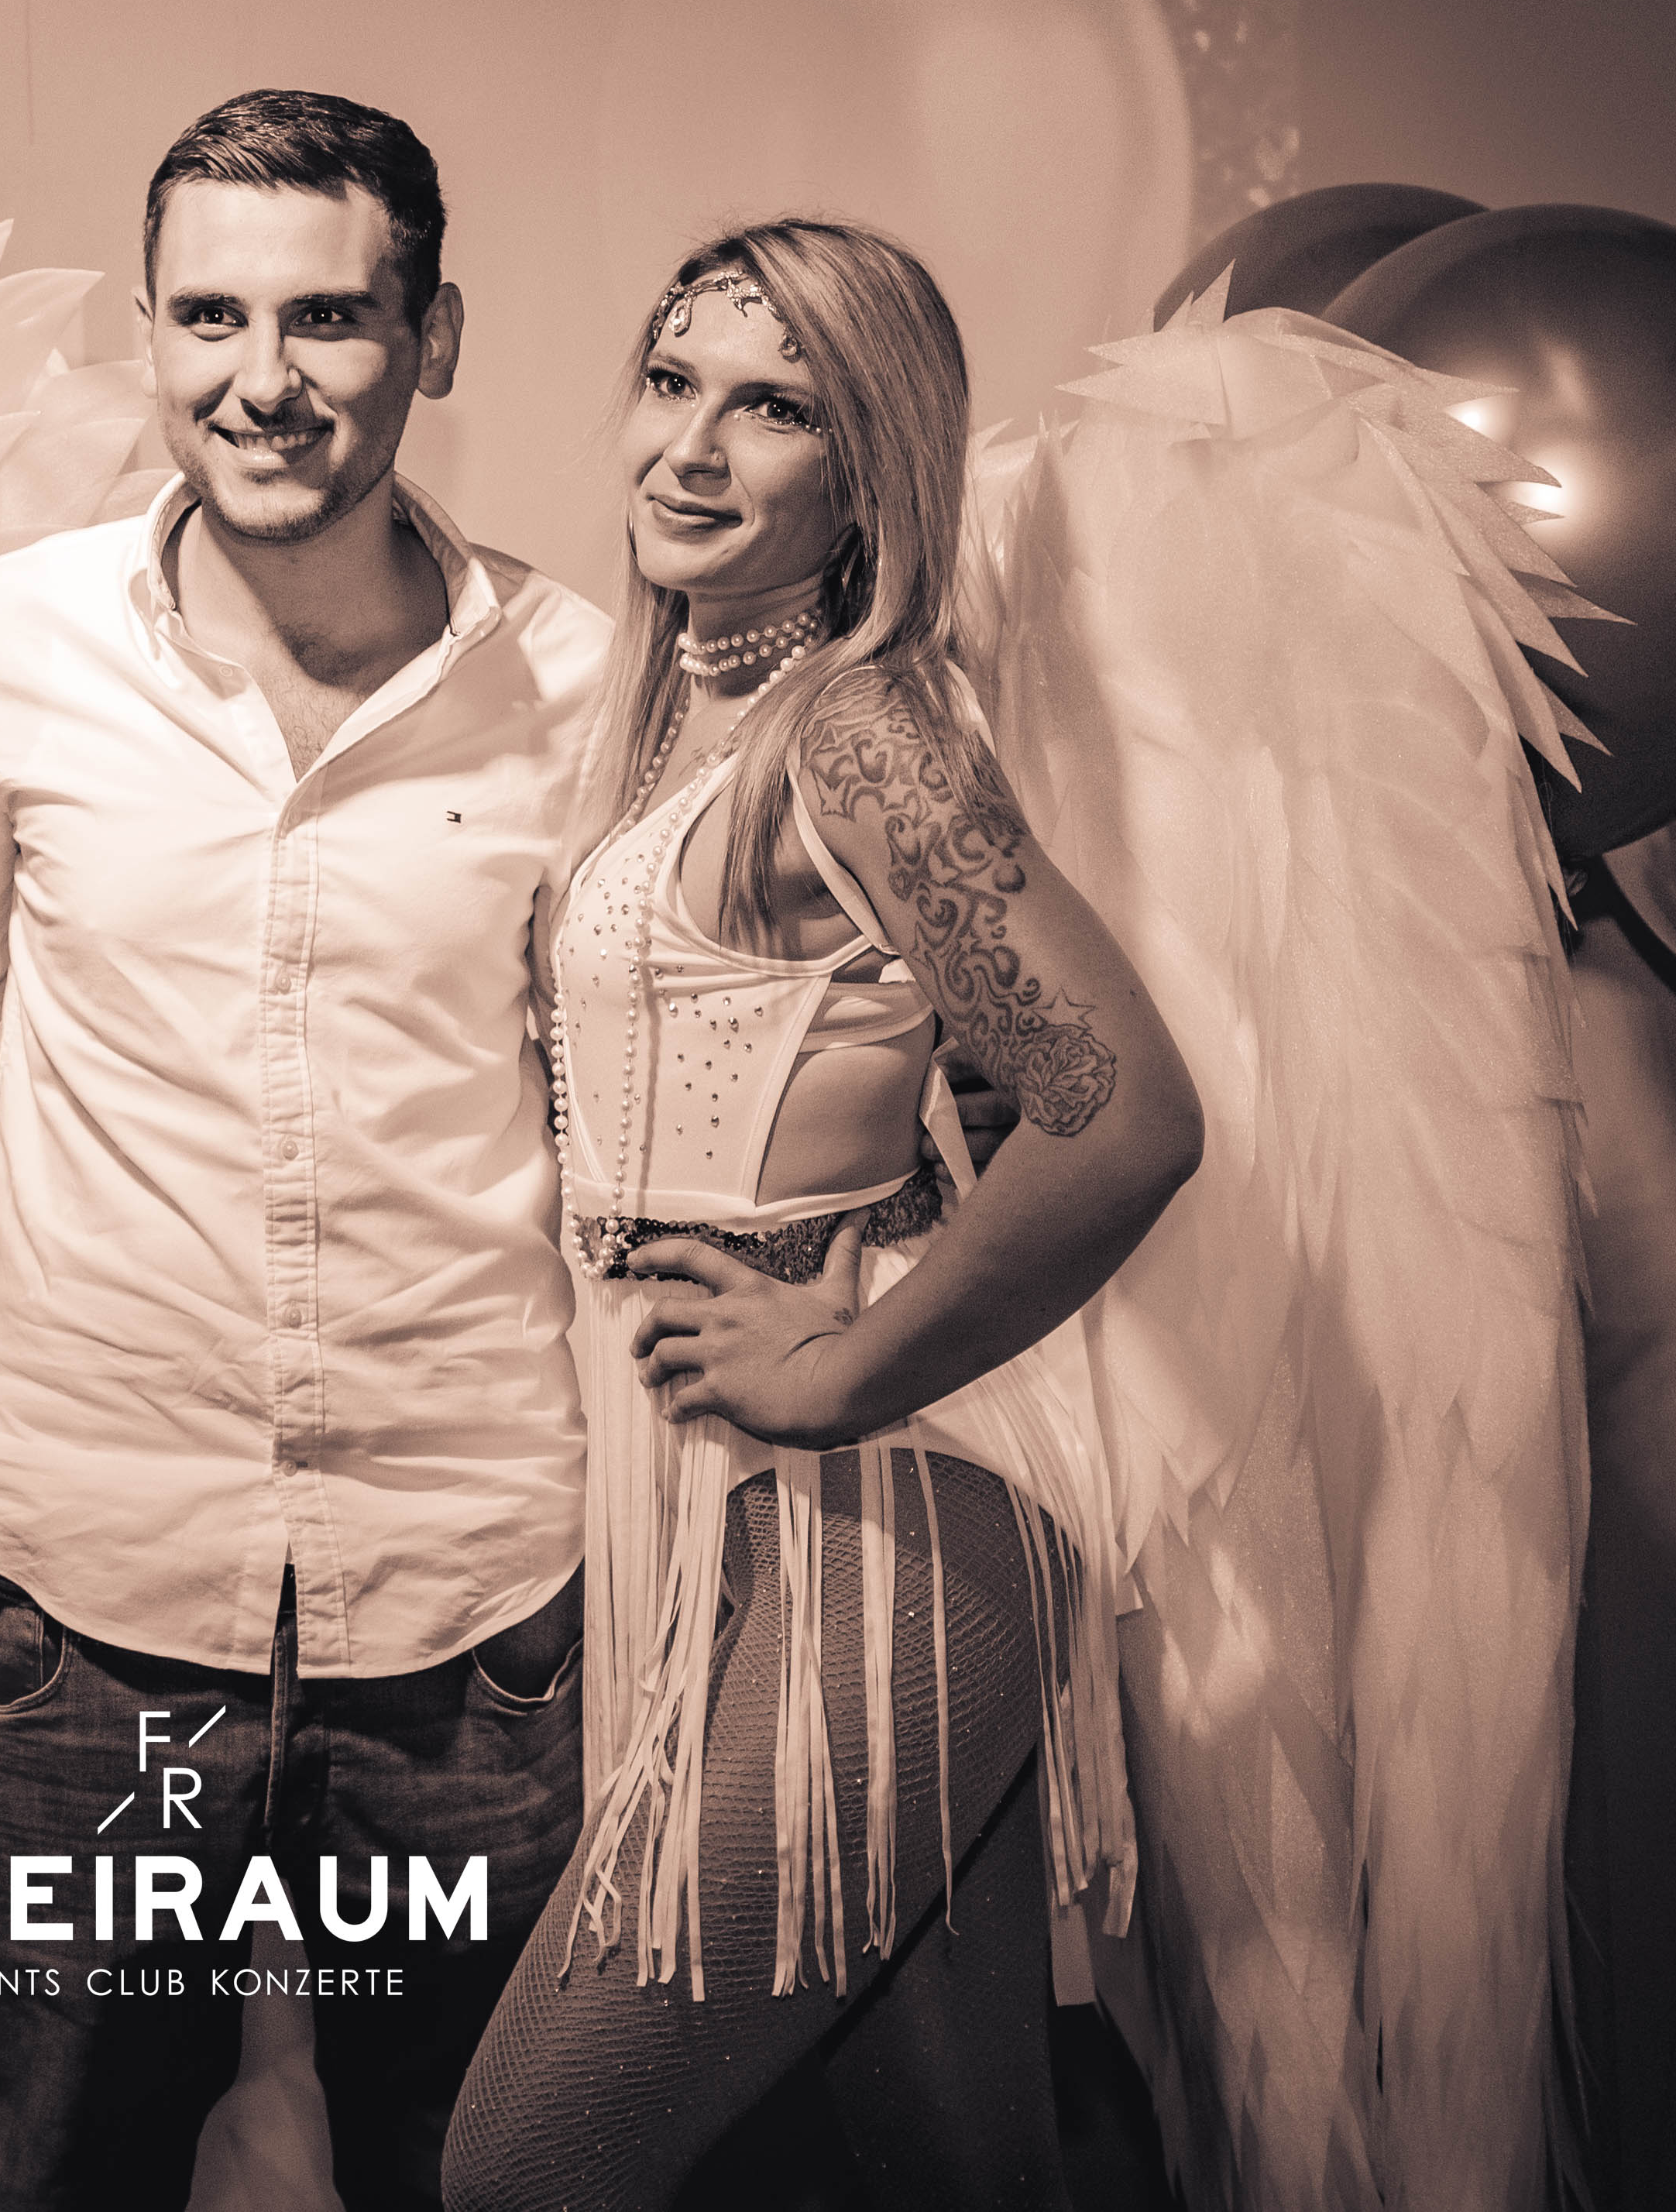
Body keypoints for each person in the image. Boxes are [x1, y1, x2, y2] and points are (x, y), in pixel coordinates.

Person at [0, 88, 610, 2210]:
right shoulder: (9, 639)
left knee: (473, 2167)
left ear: (435, 336)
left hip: (469, 1600)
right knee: (57, 2163)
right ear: (151, 332)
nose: (265, 379)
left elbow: (611, 1100)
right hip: (89, 1589)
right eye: (211, 316)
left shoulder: (584, 684)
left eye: (328, 316)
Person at [437, 222, 1199, 2209]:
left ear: (870, 475)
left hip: (890, 1514)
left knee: (524, 2171)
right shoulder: (670, 719)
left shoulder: (857, 731)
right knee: (951, 2168)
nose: (692, 447)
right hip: (728, 1512)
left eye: (773, 407)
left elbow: (1126, 1117)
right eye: (671, 380)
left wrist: (838, 1367)